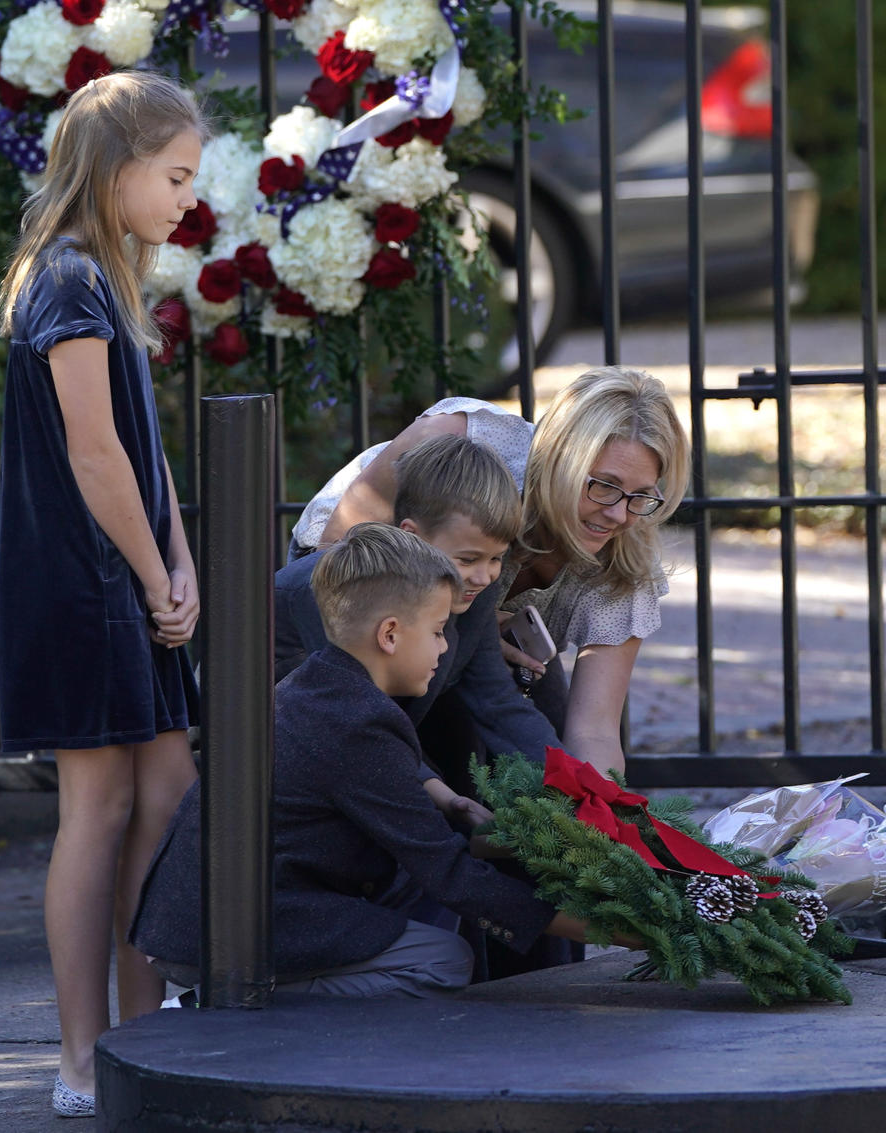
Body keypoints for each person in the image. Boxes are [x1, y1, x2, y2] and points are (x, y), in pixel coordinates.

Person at [131, 524, 601, 997]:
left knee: (411, 890)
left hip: (207, 913)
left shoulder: (326, 685)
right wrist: (613, 931)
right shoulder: (359, 722)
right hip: (222, 935)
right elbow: (452, 874)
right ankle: (234, 1002)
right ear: (390, 635)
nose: (443, 647)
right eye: (438, 631)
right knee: (442, 959)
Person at [0, 72, 206, 1118]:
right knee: (101, 804)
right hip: (80, 585)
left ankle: (143, 1029)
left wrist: (180, 554)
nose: (183, 200)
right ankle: (84, 1055)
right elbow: (91, 451)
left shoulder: (108, 279)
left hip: (126, 574)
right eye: (172, 176)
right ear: (115, 165)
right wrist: (153, 567)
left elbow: (142, 449)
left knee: (164, 791)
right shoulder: (68, 278)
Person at [289, 368, 691, 778]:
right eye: (603, 485)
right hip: (361, 613)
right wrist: (441, 625)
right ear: (560, 459)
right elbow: (331, 569)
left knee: (538, 738)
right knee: (402, 764)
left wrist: (597, 814)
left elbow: (595, 731)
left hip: (476, 633)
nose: (618, 513)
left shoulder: (625, 557)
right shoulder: (459, 445)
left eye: (641, 495)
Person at [276, 433, 562, 808]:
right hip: (280, 756)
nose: (484, 576)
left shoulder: (472, 586)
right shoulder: (341, 590)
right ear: (413, 535)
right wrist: (446, 802)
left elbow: (494, 699)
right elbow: (359, 721)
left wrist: (578, 783)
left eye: (496, 559)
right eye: (467, 559)